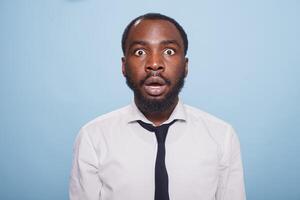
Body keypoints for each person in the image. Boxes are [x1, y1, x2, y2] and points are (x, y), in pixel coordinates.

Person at [69, 13, 246, 200]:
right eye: (140, 52)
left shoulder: (222, 137)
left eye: (169, 51)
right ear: (124, 66)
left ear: (185, 66)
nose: (154, 64)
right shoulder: (92, 138)